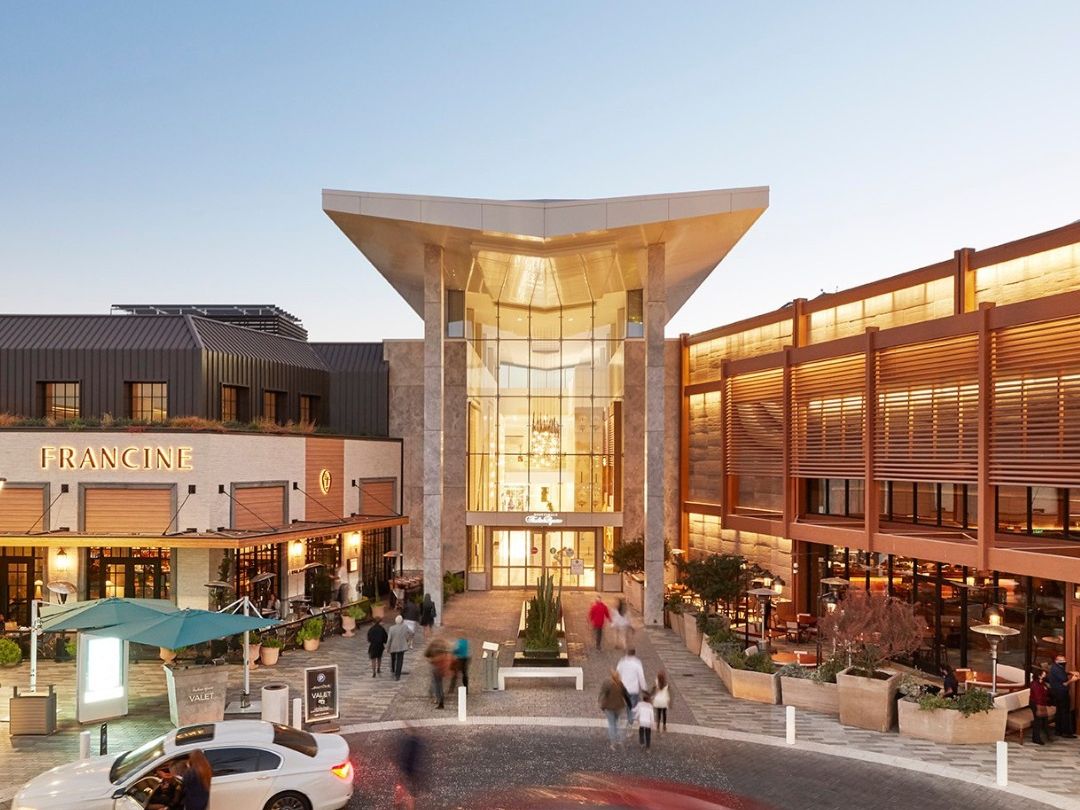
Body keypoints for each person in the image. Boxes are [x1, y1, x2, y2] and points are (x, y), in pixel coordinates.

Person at [598, 670, 631, 749]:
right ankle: (619, 739)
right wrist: (629, 704)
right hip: (619, 707)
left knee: (611, 724)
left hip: (609, 707)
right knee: (617, 723)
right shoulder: (620, 684)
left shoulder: (607, 683)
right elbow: (626, 695)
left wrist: (600, 701)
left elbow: (602, 693)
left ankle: (613, 742)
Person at [1048, 655, 1079, 738]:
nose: (1064, 662)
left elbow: (1062, 674)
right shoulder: (1057, 669)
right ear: (1056, 661)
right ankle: (1066, 732)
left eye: (1064, 661)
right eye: (1062, 661)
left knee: (1059, 711)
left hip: (1056, 692)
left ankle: (1058, 730)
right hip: (1061, 693)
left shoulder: (1055, 667)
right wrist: (1072, 680)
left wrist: (1070, 672)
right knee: (1065, 712)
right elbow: (1064, 682)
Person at [616, 647, 648, 726]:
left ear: (627, 653)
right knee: (631, 707)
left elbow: (617, 674)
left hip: (623, 688)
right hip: (633, 689)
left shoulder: (622, 662)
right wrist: (644, 688)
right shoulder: (637, 663)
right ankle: (630, 722)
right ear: (634, 653)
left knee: (621, 704)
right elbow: (641, 677)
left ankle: (618, 719)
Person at [425, 636, 452, 709]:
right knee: (440, 684)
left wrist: (432, 659)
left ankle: (439, 700)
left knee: (436, 685)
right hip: (442, 668)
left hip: (435, 667)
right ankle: (441, 699)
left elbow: (426, 654)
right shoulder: (444, 646)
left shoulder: (433, 645)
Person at [1030, 668, 1054, 745]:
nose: (1045, 675)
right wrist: (1039, 707)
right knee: (1038, 721)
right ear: (1039, 676)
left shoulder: (1042, 683)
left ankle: (1047, 736)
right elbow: (1038, 696)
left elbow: (1046, 691)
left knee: (1045, 720)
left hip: (1042, 703)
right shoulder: (1035, 684)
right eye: (1043, 674)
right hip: (1036, 704)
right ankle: (1036, 738)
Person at [387, 614, 410, 681]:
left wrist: (387, 647)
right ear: (402, 621)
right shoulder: (405, 627)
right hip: (401, 645)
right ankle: (397, 675)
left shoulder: (391, 628)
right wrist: (407, 640)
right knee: (400, 660)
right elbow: (410, 633)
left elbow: (389, 639)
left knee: (393, 658)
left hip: (393, 646)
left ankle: (393, 669)